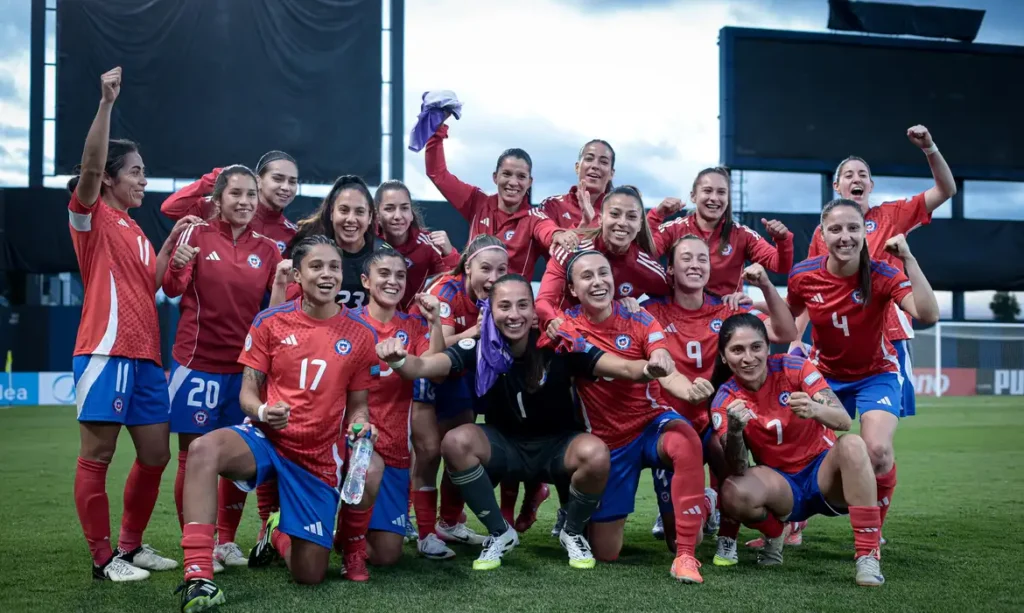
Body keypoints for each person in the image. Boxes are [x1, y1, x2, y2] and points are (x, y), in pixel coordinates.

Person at [378, 273, 647, 571]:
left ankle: (572, 532)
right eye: (504, 306)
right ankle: (500, 532)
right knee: (455, 441)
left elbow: (623, 367)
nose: (514, 314)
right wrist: (398, 359)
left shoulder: (559, 343)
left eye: (522, 305)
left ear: (534, 311)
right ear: (490, 312)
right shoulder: (479, 345)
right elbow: (424, 366)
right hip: (505, 447)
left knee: (596, 453)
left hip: (557, 448)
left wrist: (654, 367)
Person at [176, 236, 380, 611]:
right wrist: (262, 411)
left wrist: (361, 425)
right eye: (316, 266)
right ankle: (199, 575)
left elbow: (359, 406)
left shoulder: (361, 333)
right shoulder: (269, 321)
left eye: (334, 267)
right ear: (297, 275)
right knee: (203, 449)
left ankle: (277, 532)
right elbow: (247, 393)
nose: (327, 274)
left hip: (317, 458)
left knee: (310, 574)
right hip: (267, 439)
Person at [68, 67, 187, 582]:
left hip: (145, 358)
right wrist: (105, 104)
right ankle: (102, 560)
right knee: (97, 455)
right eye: (136, 172)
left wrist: (170, 245)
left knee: (156, 454)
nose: (143, 180)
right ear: (109, 179)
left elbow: (148, 285)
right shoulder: (89, 215)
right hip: (105, 352)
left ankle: (131, 547)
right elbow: (91, 165)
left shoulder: (136, 230)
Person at [558, 251, 717, 584]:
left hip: (650, 425)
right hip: (609, 442)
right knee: (606, 552)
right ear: (572, 289)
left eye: (604, 273)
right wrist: (647, 369)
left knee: (686, 439)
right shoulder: (569, 327)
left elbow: (663, 363)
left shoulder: (639, 317)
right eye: (587, 276)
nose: (598, 282)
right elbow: (632, 369)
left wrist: (689, 392)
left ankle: (685, 555)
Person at [787, 199, 939, 543]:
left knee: (879, 453)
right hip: (824, 375)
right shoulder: (803, 275)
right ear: (822, 235)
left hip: (876, 374)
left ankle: (874, 529)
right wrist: (786, 337)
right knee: (797, 449)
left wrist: (909, 259)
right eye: (835, 229)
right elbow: (788, 317)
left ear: (864, 233)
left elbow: (928, 314)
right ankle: (792, 522)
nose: (845, 236)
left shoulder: (883, 274)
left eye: (853, 228)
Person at [641, 235, 799, 562]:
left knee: (727, 452)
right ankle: (707, 502)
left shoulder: (727, 308)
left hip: (716, 418)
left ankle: (730, 536)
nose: (695, 265)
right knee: (679, 541)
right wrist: (626, 304)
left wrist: (765, 287)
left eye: (702, 258)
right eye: (686, 258)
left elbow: (786, 333)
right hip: (669, 426)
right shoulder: (650, 310)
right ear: (669, 269)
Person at [161, 164, 283, 571]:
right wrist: (176, 263)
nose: (245, 202)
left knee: (236, 455)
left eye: (251, 195)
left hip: (244, 372)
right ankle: (197, 542)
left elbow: (275, 311)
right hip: (196, 364)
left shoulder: (269, 249)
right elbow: (172, 289)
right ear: (218, 199)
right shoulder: (196, 233)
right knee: (191, 457)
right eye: (236, 194)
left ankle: (226, 541)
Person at [708, 313, 885, 587]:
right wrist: (734, 431)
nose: (748, 358)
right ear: (723, 356)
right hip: (783, 489)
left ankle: (868, 555)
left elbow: (843, 420)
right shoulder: (724, 399)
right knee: (733, 492)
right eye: (737, 350)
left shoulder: (795, 367)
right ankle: (775, 532)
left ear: (768, 347)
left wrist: (815, 409)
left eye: (756, 347)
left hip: (823, 475)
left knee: (853, 444)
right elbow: (739, 467)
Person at [797, 126, 955, 419]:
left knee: (882, 431)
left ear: (871, 185)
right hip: (837, 341)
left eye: (862, 175)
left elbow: (946, 190)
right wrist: (796, 338)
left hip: (888, 336)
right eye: (848, 175)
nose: (856, 179)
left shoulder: (891, 215)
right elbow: (809, 289)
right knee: (826, 428)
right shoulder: (824, 233)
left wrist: (929, 148)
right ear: (837, 185)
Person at [336, 249, 455, 579]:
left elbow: (435, 371)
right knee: (365, 464)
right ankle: (343, 545)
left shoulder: (412, 325)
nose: (393, 281)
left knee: (387, 555)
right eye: (384, 274)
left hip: (395, 449)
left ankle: (344, 534)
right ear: (366, 281)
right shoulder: (346, 322)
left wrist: (435, 322)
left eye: (400, 275)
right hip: (347, 440)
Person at [407, 234, 510, 546]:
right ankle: (422, 530)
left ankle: (449, 523)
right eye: (486, 269)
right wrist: (476, 331)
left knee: (458, 451)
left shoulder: (501, 295)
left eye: (501, 270)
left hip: (463, 376)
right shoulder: (444, 292)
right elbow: (435, 352)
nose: (494, 278)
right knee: (428, 453)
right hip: (426, 371)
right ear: (468, 267)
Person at [423, 118, 576, 276]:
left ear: (529, 182)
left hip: (509, 292)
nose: (513, 182)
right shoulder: (477, 201)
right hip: (471, 290)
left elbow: (547, 230)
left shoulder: (534, 218)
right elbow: (438, 174)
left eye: (521, 176)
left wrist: (558, 235)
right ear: (495, 177)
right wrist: (437, 129)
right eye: (507, 174)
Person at [537, 185, 669, 332]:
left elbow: (672, 301)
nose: (622, 223)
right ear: (600, 219)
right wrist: (553, 320)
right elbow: (544, 301)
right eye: (615, 214)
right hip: (565, 335)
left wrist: (636, 311)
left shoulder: (647, 267)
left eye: (631, 217)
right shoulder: (572, 248)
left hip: (613, 340)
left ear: (639, 225)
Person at [650, 167, 794, 296]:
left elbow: (780, 266)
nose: (714, 198)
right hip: (679, 310)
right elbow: (643, 254)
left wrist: (783, 241)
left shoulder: (742, 235)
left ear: (728, 198)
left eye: (721, 192)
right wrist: (656, 216)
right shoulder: (674, 229)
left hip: (727, 312)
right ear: (693, 196)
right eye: (707, 191)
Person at [279, 175, 389, 310]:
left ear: (370, 217)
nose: (351, 219)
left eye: (360, 212)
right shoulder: (308, 251)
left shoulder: (385, 255)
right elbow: (283, 311)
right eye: (344, 210)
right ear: (331, 213)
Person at [160, 151, 300, 254]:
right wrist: (215, 178)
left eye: (292, 182)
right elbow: (170, 209)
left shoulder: (291, 234)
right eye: (278, 179)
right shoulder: (220, 206)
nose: (286, 187)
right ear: (258, 180)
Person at [539, 139, 679, 229]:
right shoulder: (553, 205)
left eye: (603, 162)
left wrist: (657, 215)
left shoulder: (619, 210)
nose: (595, 166)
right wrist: (584, 224)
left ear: (612, 173)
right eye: (589, 159)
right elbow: (551, 246)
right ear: (577, 167)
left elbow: (637, 247)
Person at [374, 180, 460, 311]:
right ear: (377, 215)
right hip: (372, 320)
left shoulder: (427, 245)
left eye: (404, 208)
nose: (398, 216)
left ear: (411, 214)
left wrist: (449, 254)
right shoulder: (367, 243)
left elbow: (458, 283)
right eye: (389, 209)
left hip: (414, 320)